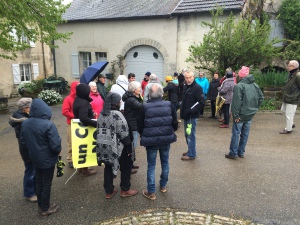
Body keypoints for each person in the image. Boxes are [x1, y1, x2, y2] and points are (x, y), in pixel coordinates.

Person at [20, 98, 61, 218]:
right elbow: (55, 145)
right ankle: (45, 209)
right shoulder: (48, 125)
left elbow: (23, 141)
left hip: (34, 157)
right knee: (46, 183)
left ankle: (41, 205)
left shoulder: (25, 123)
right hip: (47, 159)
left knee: (39, 181)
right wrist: (58, 148)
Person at [138, 84, 177, 200]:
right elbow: (175, 122)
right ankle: (163, 185)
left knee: (151, 165)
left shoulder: (144, 107)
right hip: (165, 139)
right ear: (162, 93)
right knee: (165, 162)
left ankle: (151, 192)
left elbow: (140, 125)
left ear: (150, 94)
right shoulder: (169, 104)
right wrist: (169, 131)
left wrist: (143, 134)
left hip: (151, 140)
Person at [96, 92, 138, 199]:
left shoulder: (101, 114)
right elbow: (124, 134)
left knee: (108, 167)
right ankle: (125, 189)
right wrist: (129, 148)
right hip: (120, 146)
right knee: (126, 167)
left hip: (106, 145)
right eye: (119, 101)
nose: (120, 103)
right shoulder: (117, 115)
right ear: (115, 103)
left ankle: (109, 191)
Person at [225, 66, 264, 159]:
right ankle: (241, 152)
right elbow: (261, 98)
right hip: (250, 114)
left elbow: (236, 103)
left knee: (236, 133)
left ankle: (233, 153)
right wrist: (255, 108)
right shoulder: (255, 85)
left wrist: (236, 115)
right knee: (245, 134)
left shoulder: (239, 86)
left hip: (241, 115)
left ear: (240, 76)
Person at [9, 98, 37, 203]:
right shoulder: (21, 119)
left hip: (32, 147)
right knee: (30, 170)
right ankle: (29, 193)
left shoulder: (26, 115)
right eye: (31, 107)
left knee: (34, 169)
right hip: (27, 149)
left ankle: (35, 190)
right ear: (25, 108)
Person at [73, 83, 97, 176]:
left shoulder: (78, 100)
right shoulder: (84, 103)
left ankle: (81, 167)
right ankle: (85, 169)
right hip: (85, 128)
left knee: (81, 146)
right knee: (86, 147)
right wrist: (95, 123)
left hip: (80, 127)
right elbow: (84, 118)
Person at [180, 71, 205, 160]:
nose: (188, 79)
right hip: (186, 115)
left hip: (192, 117)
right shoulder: (185, 86)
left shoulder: (197, 88)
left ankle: (191, 154)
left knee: (190, 135)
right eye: (186, 78)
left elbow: (201, 103)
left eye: (190, 77)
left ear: (193, 77)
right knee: (187, 135)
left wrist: (191, 111)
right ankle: (191, 149)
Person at [122, 81, 143, 173]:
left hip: (133, 123)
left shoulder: (132, 97)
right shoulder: (131, 100)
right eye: (139, 88)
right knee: (131, 145)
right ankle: (128, 166)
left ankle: (131, 163)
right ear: (134, 90)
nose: (140, 89)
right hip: (132, 124)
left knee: (133, 145)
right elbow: (141, 107)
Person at [279, 60, 300, 134]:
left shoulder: (298, 75)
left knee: (289, 115)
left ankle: (288, 129)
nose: (288, 67)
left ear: (293, 67)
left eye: (289, 66)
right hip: (287, 97)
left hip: (292, 98)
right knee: (283, 110)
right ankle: (291, 124)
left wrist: (296, 97)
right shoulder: (291, 74)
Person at [62, 81, 79, 168]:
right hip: (71, 123)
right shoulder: (68, 99)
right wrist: (74, 116)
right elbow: (64, 111)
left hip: (79, 123)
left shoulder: (80, 98)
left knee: (79, 142)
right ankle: (70, 159)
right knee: (71, 141)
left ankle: (78, 157)